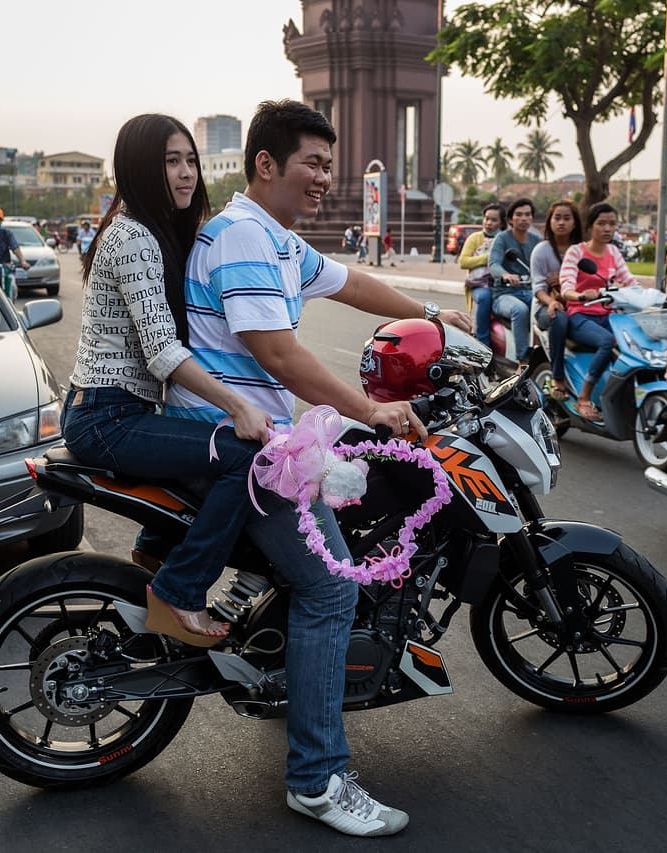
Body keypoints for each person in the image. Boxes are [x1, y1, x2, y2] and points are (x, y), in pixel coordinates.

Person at [163, 99, 472, 837]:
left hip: (255, 437)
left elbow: (351, 282)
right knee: (332, 587)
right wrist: (373, 410)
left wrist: (433, 316)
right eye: (314, 163)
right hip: (233, 443)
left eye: (331, 166)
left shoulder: (272, 238)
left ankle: (283, 660)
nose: (325, 179)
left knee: (339, 522)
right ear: (265, 164)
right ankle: (317, 777)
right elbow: (279, 356)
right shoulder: (242, 235)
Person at [61, 113, 273, 644]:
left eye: (190, 161)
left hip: (113, 411)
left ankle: (157, 545)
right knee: (244, 455)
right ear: (138, 168)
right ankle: (179, 589)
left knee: (201, 443)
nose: (186, 174)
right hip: (107, 418)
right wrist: (238, 407)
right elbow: (160, 352)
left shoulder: (150, 230)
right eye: (170, 162)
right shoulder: (133, 236)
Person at [558, 202, 640, 421]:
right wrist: (582, 295)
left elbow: (630, 281)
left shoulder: (614, 252)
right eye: (601, 223)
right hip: (580, 315)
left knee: (638, 341)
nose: (607, 229)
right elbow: (566, 287)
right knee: (606, 341)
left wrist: (653, 295)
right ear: (590, 226)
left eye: (612, 224)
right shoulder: (576, 252)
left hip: (609, 315)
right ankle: (584, 397)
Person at [529, 200, 582, 399]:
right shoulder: (541, 251)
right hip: (545, 307)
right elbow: (538, 288)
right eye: (557, 218)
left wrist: (561, 279)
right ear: (550, 222)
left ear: (575, 223)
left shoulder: (580, 250)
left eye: (567, 218)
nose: (561, 222)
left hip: (576, 304)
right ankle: (557, 377)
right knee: (559, 317)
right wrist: (551, 302)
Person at [488, 198, 542, 366]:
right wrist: (505, 275)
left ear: (532, 218)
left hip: (531, 291)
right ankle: (523, 361)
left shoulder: (537, 241)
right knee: (520, 310)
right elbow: (493, 264)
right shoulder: (502, 239)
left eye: (527, 215)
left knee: (547, 310)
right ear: (510, 219)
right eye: (518, 215)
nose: (523, 218)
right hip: (504, 294)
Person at [458, 202, 504, 347]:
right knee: (485, 297)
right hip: (479, 284)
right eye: (486, 218)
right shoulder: (474, 238)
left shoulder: (505, 239)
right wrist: (488, 258)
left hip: (501, 283)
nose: (489, 222)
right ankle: (482, 341)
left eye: (494, 220)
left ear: (501, 222)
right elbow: (463, 262)